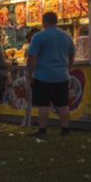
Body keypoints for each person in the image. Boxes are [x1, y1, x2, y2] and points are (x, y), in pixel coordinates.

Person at [27, 11, 75, 139]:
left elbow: (32, 57)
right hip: (62, 76)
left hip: (43, 76)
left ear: (44, 22)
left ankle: (42, 129)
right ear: (56, 21)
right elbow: (71, 56)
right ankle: (65, 129)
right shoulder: (67, 36)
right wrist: (68, 69)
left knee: (43, 104)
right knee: (63, 104)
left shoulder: (38, 37)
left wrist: (30, 73)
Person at [19, 26, 40, 128]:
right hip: (37, 74)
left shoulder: (31, 47)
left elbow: (29, 61)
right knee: (31, 99)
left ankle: (27, 121)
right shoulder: (30, 47)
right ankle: (28, 120)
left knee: (30, 99)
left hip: (34, 74)